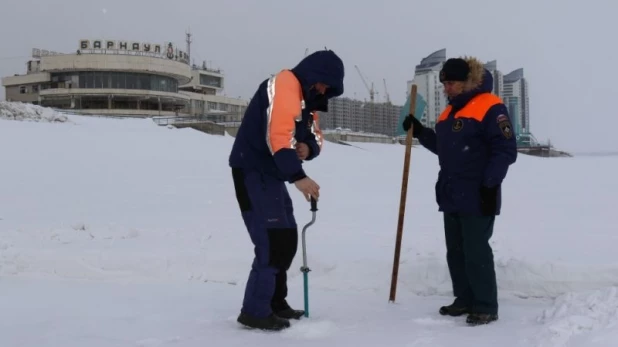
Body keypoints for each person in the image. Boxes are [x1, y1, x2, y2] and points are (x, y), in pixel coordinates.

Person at [229, 49, 345, 331]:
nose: (323, 90)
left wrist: (310, 147)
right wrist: (298, 176)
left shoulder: (306, 100)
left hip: (273, 174)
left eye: (328, 88)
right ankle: (255, 311)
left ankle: (275, 302)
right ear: (313, 74)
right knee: (272, 241)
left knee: (287, 237)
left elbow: (313, 134)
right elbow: (278, 136)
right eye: (322, 83)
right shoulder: (284, 84)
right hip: (253, 170)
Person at [402, 56, 517, 326]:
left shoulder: (491, 107)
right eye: (444, 84)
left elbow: (505, 150)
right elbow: (445, 148)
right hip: (452, 192)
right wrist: (420, 132)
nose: (446, 88)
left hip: (478, 192)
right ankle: (464, 299)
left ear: (468, 81)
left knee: (476, 250)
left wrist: (490, 185)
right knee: (455, 250)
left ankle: (486, 305)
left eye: (451, 83)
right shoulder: (449, 113)